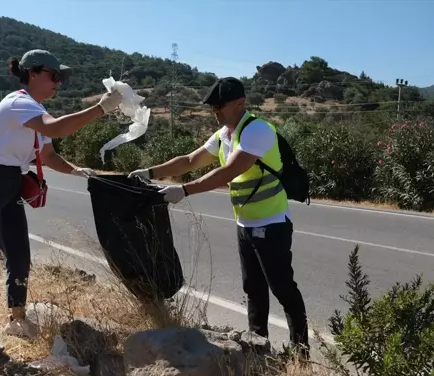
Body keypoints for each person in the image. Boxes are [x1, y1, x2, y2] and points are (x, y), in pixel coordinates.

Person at [0, 49, 123, 359]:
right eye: (54, 76)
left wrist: (78, 171)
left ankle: (17, 320)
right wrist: (101, 108)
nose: (59, 83)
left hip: (8, 185)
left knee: (20, 256)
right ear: (33, 73)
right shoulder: (18, 103)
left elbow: (48, 156)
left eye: (61, 78)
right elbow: (56, 128)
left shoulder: (33, 111)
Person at [129, 77, 310, 357]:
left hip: (271, 224)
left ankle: (301, 352)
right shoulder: (225, 134)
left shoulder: (257, 131)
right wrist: (149, 172)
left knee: (283, 289)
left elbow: (229, 172)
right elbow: (190, 160)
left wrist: (185, 190)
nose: (215, 111)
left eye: (220, 105)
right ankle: (257, 346)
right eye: (213, 106)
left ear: (240, 103)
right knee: (253, 289)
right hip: (245, 224)